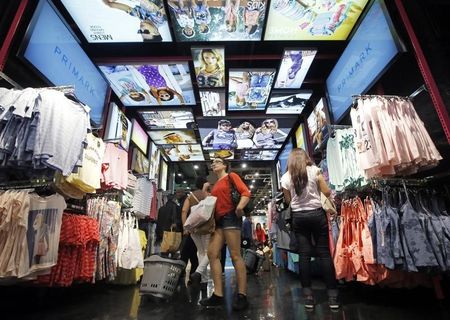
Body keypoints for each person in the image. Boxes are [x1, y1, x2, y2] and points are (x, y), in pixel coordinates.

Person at [281, 148, 339, 310]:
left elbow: (288, 201)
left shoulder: (285, 177)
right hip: (317, 214)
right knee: (324, 254)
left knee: (304, 256)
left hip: (299, 217)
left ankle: (308, 297)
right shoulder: (315, 170)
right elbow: (327, 192)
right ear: (306, 157)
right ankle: (333, 297)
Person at [200, 158, 251, 310]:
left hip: (230, 217)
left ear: (224, 165)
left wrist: (239, 208)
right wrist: (205, 191)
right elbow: (212, 204)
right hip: (219, 221)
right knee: (212, 253)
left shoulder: (231, 176)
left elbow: (246, 192)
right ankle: (218, 295)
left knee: (235, 255)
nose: (213, 163)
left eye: (217, 161)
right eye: (212, 162)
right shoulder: (215, 185)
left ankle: (242, 295)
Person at [181, 177, 211, 287]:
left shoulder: (190, 196)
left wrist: (186, 227)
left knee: (200, 252)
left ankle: (203, 278)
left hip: (193, 227)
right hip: (206, 227)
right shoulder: (208, 195)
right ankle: (202, 277)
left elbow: (184, 211)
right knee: (208, 252)